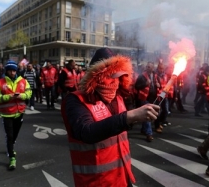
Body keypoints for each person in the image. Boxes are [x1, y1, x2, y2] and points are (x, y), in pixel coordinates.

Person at [61, 48, 160, 186]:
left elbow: (119, 131)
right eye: (111, 76)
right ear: (97, 76)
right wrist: (129, 117)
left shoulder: (118, 97)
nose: (115, 81)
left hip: (123, 177)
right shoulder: (76, 100)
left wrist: (138, 117)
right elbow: (86, 132)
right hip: (96, 182)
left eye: (119, 76)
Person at [0, 60, 32, 170]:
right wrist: (8, 97)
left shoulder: (23, 81)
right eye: (10, 70)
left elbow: (29, 93)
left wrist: (22, 96)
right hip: (7, 114)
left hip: (19, 113)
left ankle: (11, 145)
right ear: (6, 71)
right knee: (9, 136)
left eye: (14, 70)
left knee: (14, 135)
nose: (12, 73)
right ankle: (12, 158)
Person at [135, 61, 161, 142]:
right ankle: (149, 134)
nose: (147, 68)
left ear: (153, 68)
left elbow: (160, 85)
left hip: (153, 99)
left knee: (149, 115)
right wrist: (145, 84)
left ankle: (143, 129)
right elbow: (136, 86)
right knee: (148, 116)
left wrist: (159, 86)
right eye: (147, 66)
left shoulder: (156, 76)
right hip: (144, 98)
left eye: (149, 67)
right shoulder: (142, 76)